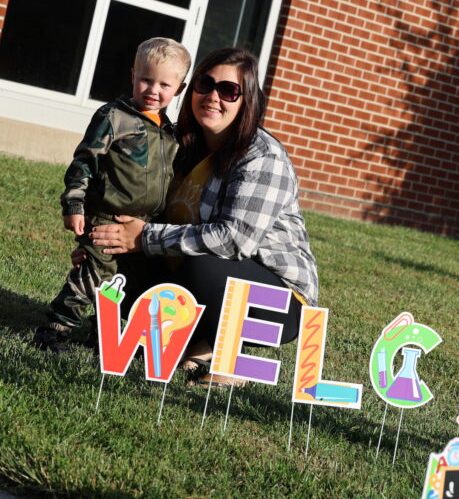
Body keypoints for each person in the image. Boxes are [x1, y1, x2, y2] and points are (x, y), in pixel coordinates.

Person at [87, 47, 319, 387]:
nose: (213, 96)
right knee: (122, 288)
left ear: (247, 101)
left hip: (277, 302)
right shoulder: (180, 143)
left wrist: (145, 238)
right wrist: (98, 242)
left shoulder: (262, 157)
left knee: (203, 261)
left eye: (228, 90)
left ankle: (227, 355)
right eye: (205, 84)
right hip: (192, 276)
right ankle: (198, 344)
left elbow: (234, 240)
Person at [34, 37, 191, 352]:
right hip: (106, 217)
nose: (152, 90)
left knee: (125, 284)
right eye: (146, 79)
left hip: (143, 226)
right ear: (133, 75)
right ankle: (54, 329)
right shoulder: (114, 117)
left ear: (179, 89)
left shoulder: (170, 132)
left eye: (164, 84)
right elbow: (84, 161)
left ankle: (105, 337)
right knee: (91, 276)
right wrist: (74, 205)